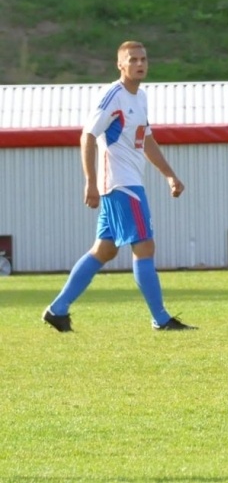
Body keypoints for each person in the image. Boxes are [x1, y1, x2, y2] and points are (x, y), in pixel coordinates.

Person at [41, 41, 193, 333]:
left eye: (143, 59)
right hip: (122, 184)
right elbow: (87, 136)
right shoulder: (113, 96)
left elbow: (145, 139)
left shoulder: (141, 97)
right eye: (132, 59)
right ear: (120, 65)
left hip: (126, 183)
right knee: (145, 246)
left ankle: (57, 310)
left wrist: (169, 175)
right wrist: (90, 181)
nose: (140, 64)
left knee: (105, 250)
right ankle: (161, 319)